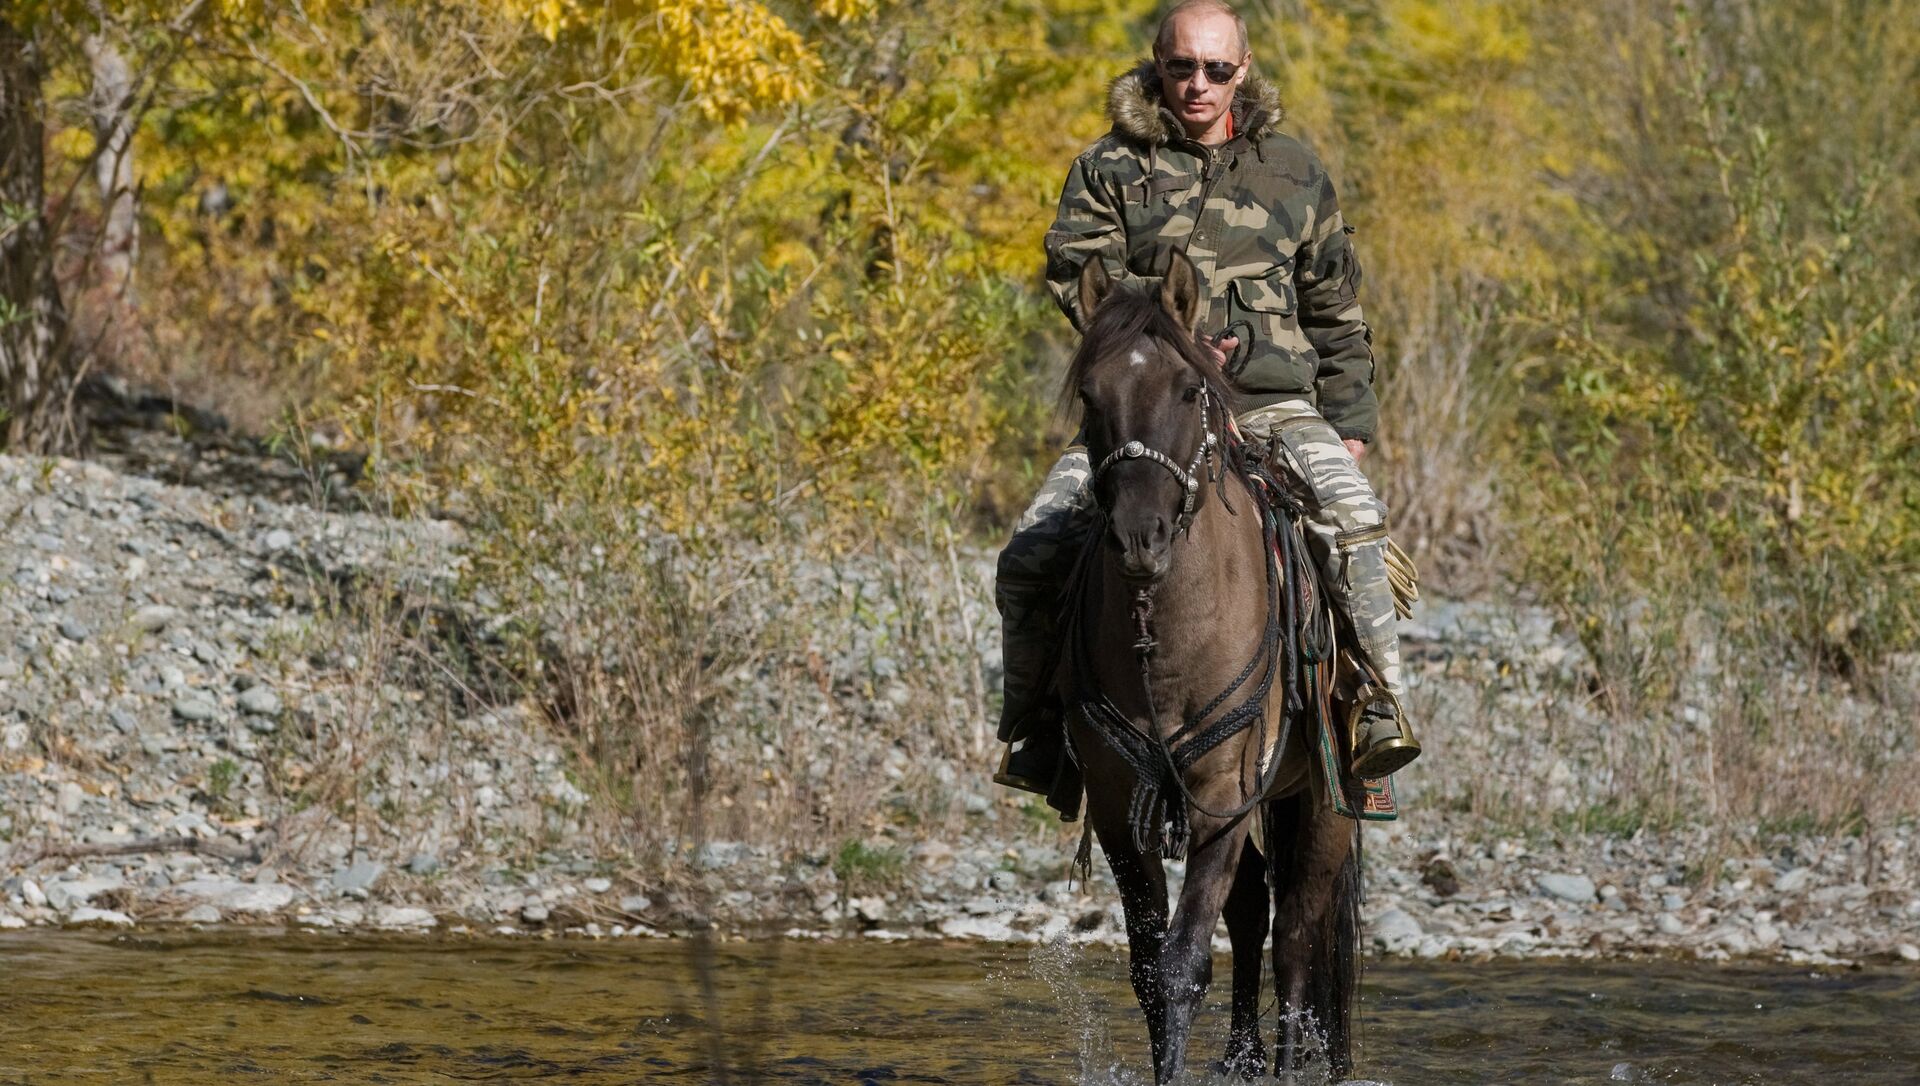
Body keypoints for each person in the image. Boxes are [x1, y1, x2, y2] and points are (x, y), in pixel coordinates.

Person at [993, 0, 1419, 808]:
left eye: (1217, 68)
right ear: (1157, 63)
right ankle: (1039, 727)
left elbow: (1335, 307)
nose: (1199, 83)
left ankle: (1373, 710)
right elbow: (1080, 281)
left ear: (1242, 70)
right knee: (1029, 555)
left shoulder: (1294, 170)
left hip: (1272, 405)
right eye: (1183, 66)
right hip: (1145, 412)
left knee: (1356, 527)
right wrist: (1171, 350)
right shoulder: (1107, 168)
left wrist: (1351, 424)